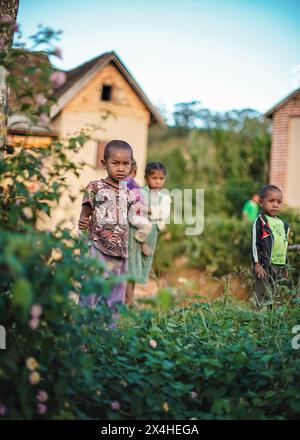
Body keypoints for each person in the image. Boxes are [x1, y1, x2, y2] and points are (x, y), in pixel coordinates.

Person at [78, 139, 137, 320]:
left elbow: (127, 219)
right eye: (115, 163)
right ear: (104, 164)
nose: (121, 168)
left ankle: (107, 337)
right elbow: (85, 212)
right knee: (92, 289)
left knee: (115, 296)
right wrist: (82, 222)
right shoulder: (95, 187)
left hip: (120, 252)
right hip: (98, 247)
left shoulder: (129, 193)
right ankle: (82, 334)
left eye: (126, 164)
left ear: (131, 165)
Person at [125, 162, 171, 306]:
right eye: (154, 178)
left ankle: (129, 299)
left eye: (161, 178)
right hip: (137, 232)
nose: (158, 181)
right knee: (132, 264)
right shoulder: (141, 192)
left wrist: (148, 210)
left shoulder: (165, 196)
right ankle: (128, 299)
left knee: (143, 264)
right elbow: (134, 210)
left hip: (152, 233)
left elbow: (164, 213)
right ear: (146, 178)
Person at [252, 185, 290, 308]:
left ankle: (271, 319)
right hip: (265, 265)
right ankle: (260, 319)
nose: (275, 205)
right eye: (271, 201)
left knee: (274, 294)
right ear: (261, 203)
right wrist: (257, 264)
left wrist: (286, 265)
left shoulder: (283, 224)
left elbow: (284, 245)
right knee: (262, 293)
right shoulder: (260, 222)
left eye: (279, 202)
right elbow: (254, 244)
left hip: (278, 264)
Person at [124, 159, 153, 256]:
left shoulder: (131, 185)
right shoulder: (129, 185)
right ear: (135, 172)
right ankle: (141, 241)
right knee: (148, 225)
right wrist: (147, 210)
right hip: (132, 215)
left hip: (135, 213)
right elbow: (136, 203)